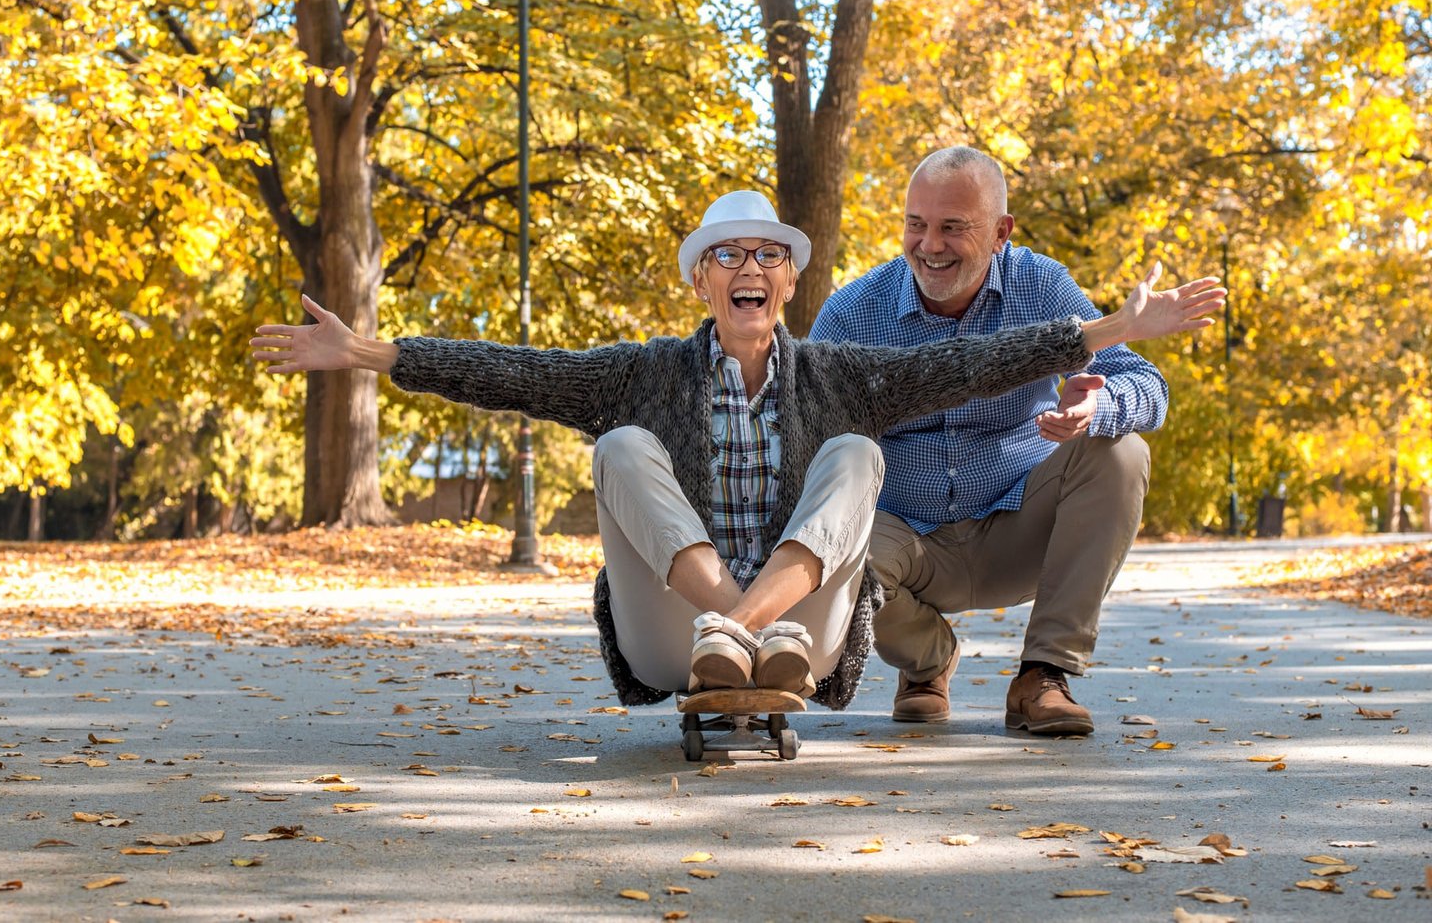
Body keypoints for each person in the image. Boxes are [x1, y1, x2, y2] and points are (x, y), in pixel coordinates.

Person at [252, 191, 1223, 711]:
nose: (747, 268)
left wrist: (1101, 330)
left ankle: (761, 632)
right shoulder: (647, 373)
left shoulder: (842, 372)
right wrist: (371, 353)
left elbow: (981, 362)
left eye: (766, 255)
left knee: (853, 454)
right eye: (727, 255)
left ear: (790, 282)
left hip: (806, 635)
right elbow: (516, 372)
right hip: (677, 631)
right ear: (700, 283)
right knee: (623, 445)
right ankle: (732, 626)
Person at [809, 145, 1190, 735]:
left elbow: (1148, 387)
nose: (930, 245)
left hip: (1019, 526)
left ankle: (1044, 675)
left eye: (953, 227)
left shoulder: (1040, 286)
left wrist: (1097, 406)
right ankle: (927, 660)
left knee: (1123, 450)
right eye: (917, 224)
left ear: (1000, 232)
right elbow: (807, 435)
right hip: (905, 538)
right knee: (823, 540)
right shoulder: (854, 311)